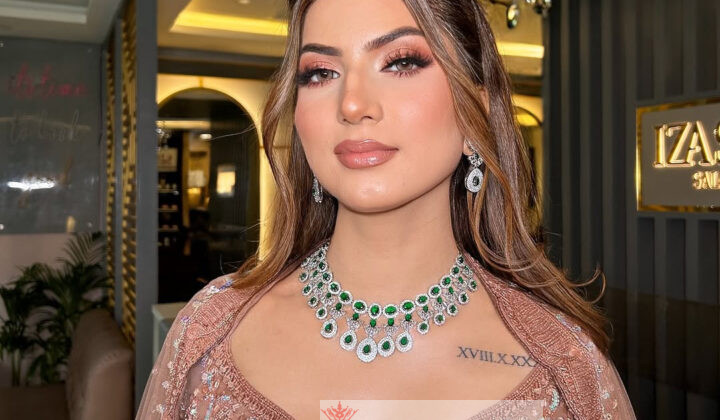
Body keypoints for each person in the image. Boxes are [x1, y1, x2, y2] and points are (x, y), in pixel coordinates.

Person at [137, 0, 637, 418]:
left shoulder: (564, 369)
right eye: (321, 72)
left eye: (400, 62)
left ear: (477, 115)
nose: (352, 104)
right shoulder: (209, 333)